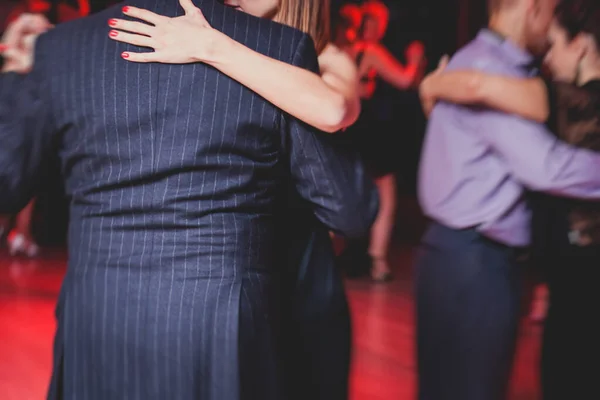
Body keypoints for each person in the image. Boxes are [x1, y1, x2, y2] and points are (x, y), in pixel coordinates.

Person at [0, 2, 378, 400]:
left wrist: (11, 74)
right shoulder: (278, 47)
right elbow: (349, 209)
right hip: (218, 326)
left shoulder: (62, 47)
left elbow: (7, 184)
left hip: (98, 316)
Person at [108, 1, 367, 399]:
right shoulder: (204, 38)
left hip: (297, 273)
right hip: (227, 274)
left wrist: (212, 46)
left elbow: (332, 110)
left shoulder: (328, 56)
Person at [415, 0, 600, 398]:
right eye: (552, 12)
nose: (552, 26)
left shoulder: (481, 63)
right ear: (533, 8)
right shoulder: (490, 68)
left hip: (460, 256)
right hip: (474, 264)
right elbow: (547, 168)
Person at [343, 0, 426, 281]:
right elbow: (404, 81)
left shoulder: (347, 48)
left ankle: (346, 252)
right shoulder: (371, 50)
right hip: (368, 127)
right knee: (385, 192)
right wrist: (414, 60)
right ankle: (377, 261)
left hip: (350, 125)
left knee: (352, 187)